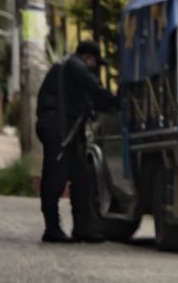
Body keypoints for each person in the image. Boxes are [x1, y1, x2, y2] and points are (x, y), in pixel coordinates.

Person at [36, 40, 118, 243]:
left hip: (66, 128)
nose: (94, 68)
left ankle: (82, 228)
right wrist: (115, 101)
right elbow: (94, 89)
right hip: (58, 127)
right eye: (95, 63)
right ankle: (52, 228)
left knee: (82, 178)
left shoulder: (69, 65)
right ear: (88, 57)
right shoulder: (74, 64)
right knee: (55, 178)